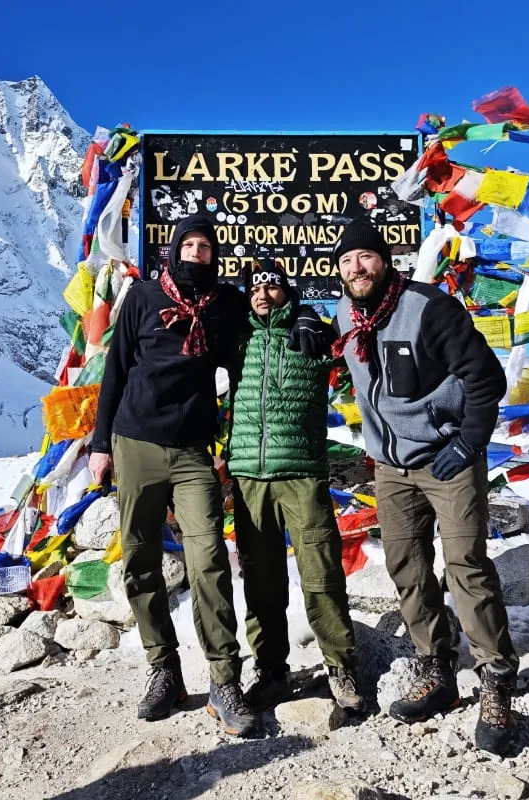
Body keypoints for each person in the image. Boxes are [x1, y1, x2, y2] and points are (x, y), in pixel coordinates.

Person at [88, 215, 326, 735]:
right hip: (136, 443)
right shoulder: (145, 298)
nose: (196, 253)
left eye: (205, 246)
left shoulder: (225, 305)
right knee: (140, 559)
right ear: (175, 250)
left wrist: (307, 315)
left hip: (194, 450)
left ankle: (223, 679)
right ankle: (164, 669)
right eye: (188, 245)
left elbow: (272, 311)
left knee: (209, 559)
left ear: (214, 256)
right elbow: (116, 369)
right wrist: (100, 443)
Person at [331, 219, 519, 755]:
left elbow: (486, 378)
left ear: (384, 260)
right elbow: (319, 335)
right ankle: (437, 670)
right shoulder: (346, 314)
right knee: (406, 567)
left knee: (466, 566)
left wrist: (467, 442)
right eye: (346, 262)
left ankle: (497, 681)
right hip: (390, 467)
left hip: (449, 458)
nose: (356, 268)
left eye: (364, 257)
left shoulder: (427, 306)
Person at [226, 259, 365, 713]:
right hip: (249, 477)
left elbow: (355, 323)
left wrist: (311, 317)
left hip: (302, 473)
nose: (263, 295)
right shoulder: (237, 340)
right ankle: (271, 671)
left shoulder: (313, 335)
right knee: (261, 582)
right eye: (255, 289)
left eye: (272, 287)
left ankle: (340, 667)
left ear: (289, 291)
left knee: (321, 574)